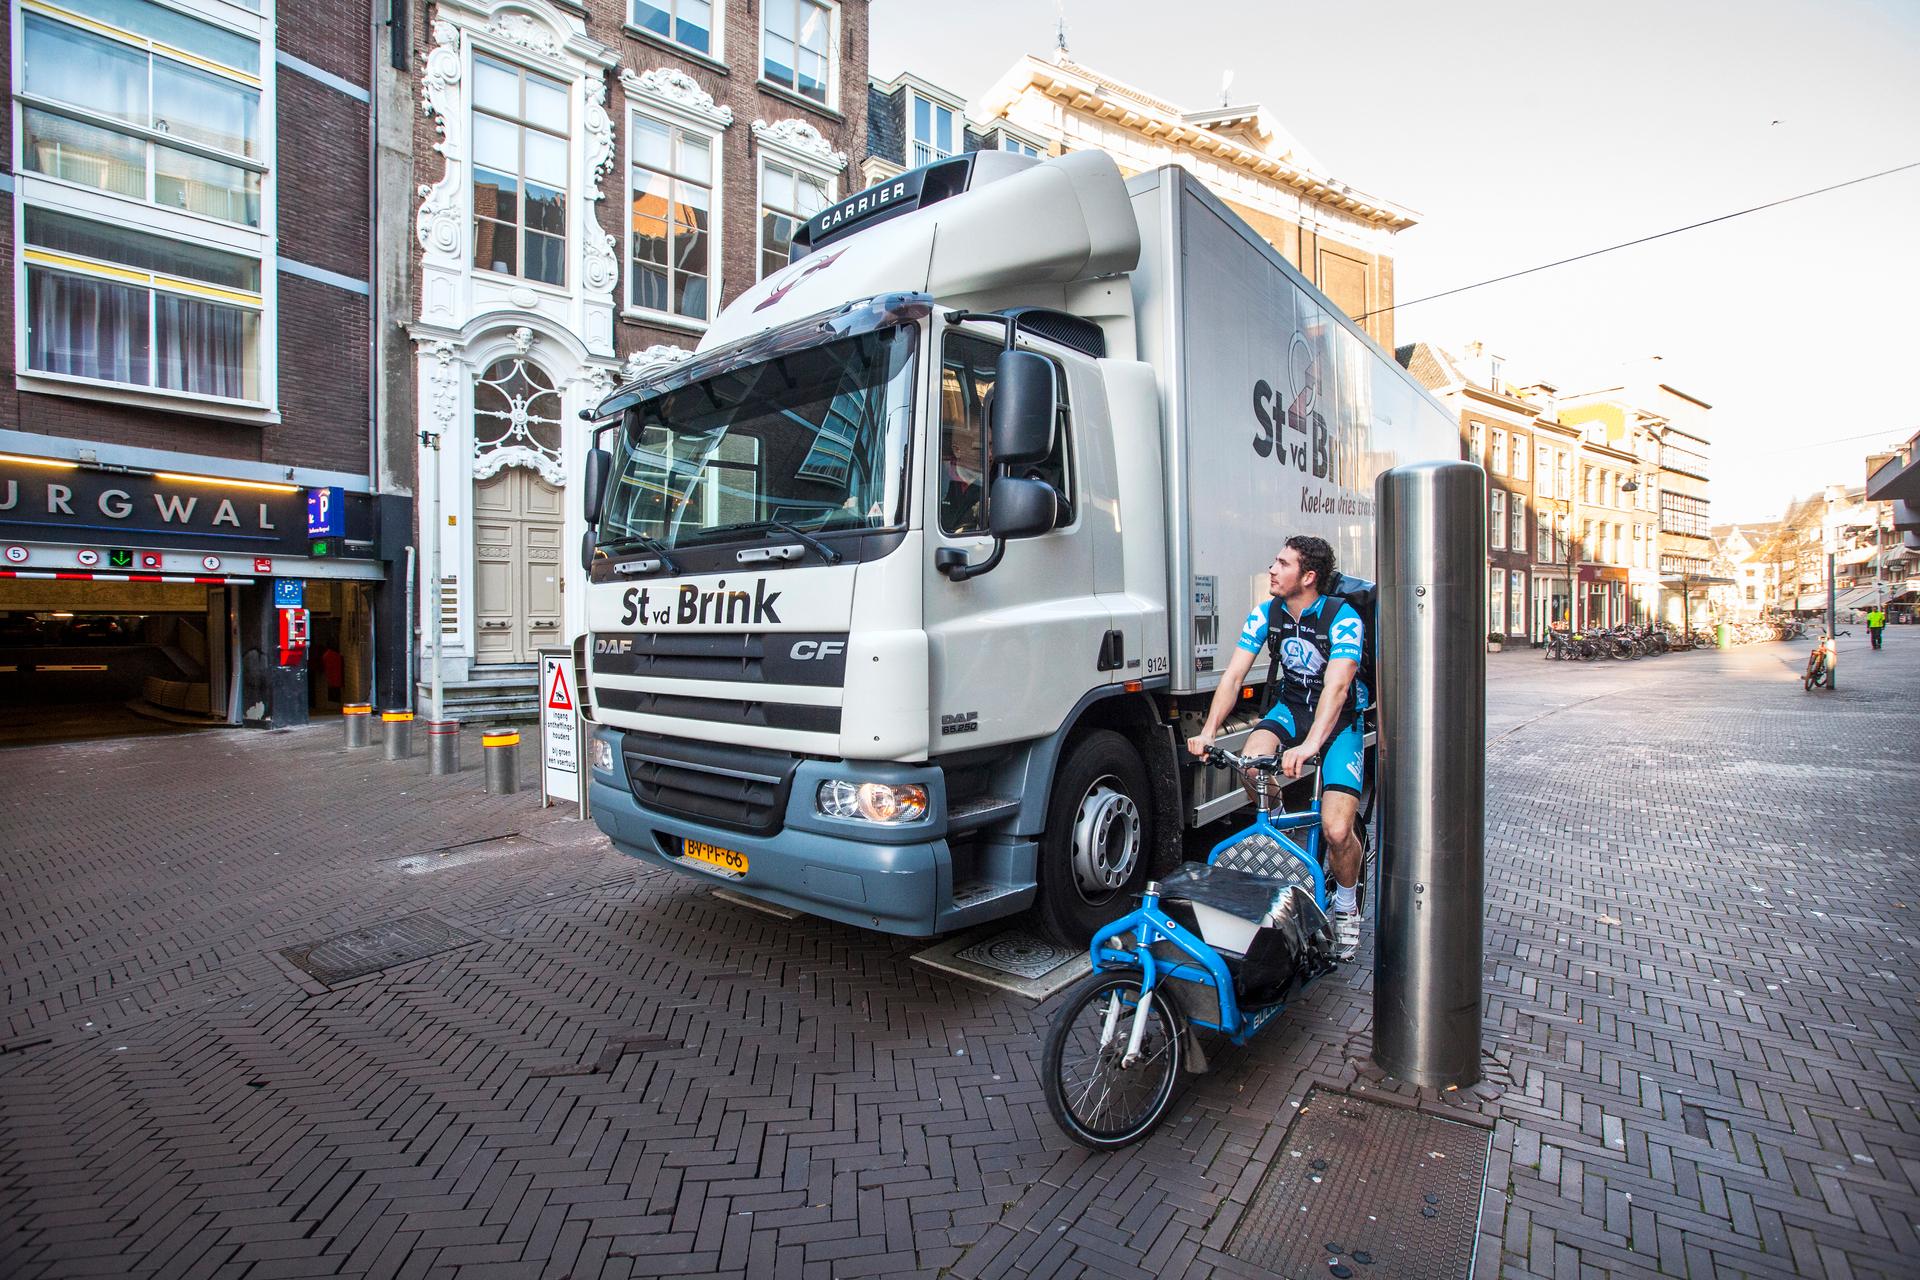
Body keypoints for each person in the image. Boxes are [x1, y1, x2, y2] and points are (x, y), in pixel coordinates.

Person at [1187, 536, 1368, 961]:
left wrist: (1310, 745)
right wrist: (1210, 730)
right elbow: (1233, 677)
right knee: (1250, 765)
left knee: (1337, 830)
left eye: (1282, 563)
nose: (1271, 568)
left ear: (1307, 577)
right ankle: (1283, 836)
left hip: (1337, 720)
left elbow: (1338, 688)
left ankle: (1345, 906)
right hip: (1290, 708)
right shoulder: (1266, 614)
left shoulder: (1343, 619)